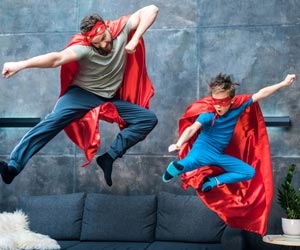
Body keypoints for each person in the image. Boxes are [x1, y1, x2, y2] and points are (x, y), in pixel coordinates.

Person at [0, 5, 159, 187]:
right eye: (96, 43)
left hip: (108, 98)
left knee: (147, 119)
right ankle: (13, 166)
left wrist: (135, 38)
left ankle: (109, 157)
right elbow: (57, 59)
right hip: (81, 95)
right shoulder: (84, 48)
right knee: (53, 121)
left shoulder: (120, 30)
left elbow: (152, 9)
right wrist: (20, 65)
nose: (103, 45)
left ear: (107, 28)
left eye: (104, 39)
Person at [161, 73, 296, 236]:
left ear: (231, 100)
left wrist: (283, 83)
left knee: (248, 172)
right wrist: (179, 143)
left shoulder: (238, 106)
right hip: (203, 150)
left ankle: (214, 180)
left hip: (218, 155)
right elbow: (191, 129)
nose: (218, 106)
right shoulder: (208, 114)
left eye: (222, 102)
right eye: (215, 101)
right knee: (191, 162)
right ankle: (176, 168)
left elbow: (261, 94)